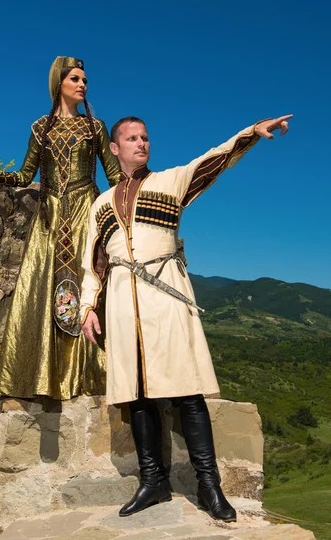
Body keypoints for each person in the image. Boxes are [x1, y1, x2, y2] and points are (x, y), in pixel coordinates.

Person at [80, 114, 292, 520]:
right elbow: (95, 262)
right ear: (114, 148)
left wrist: (249, 135)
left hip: (165, 294)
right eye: (132, 138)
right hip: (123, 301)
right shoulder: (101, 205)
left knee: (186, 391)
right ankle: (153, 482)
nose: (141, 143)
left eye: (145, 137)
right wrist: (89, 305)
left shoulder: (170, 181)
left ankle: (209, 486)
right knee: (137, 396)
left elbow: (211, 161)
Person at [0, 56, 120, 399]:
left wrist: (141, 191)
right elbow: (25, 175)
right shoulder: (40, 128)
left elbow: (115, 175)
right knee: (42, 290)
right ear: (58, 84)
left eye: (85, 80)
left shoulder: (95, 128)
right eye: (75, 79)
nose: (83, 85)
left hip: (84, 213)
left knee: (89, 286)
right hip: (49, 219)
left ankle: (91, 377)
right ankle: (43, 378)